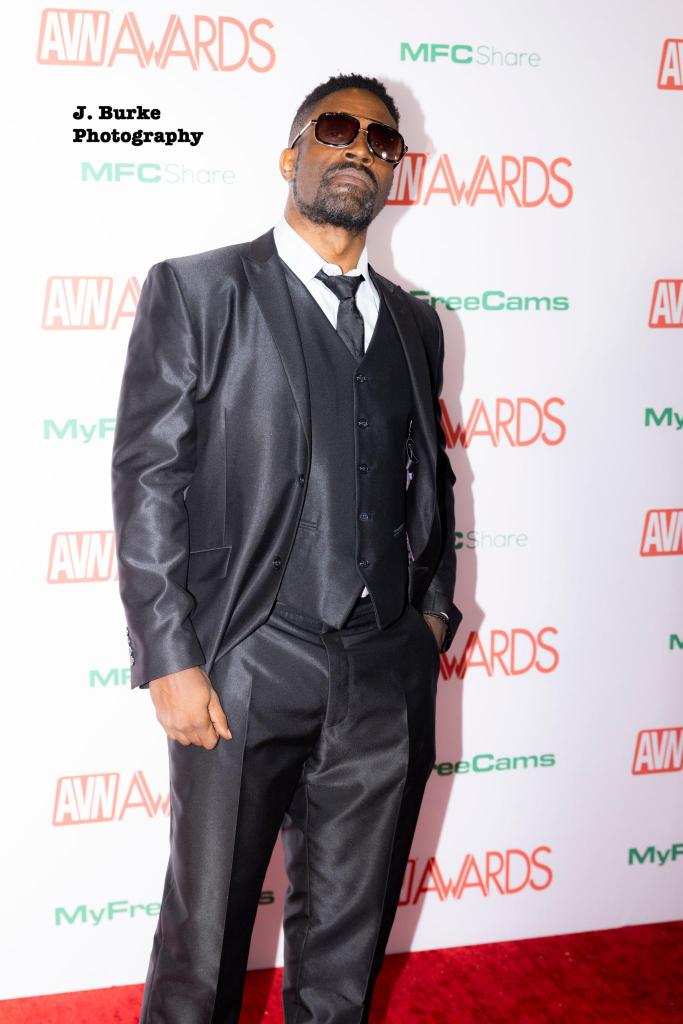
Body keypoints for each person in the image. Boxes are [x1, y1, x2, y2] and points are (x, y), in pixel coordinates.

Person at [111, 71, 462, 1024]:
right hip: (246, 660)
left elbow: (431, 477)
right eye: (336, 128)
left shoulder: (417, 322)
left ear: (395, 172)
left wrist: (431, 616)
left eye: (380, 141)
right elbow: (148, 479)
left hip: (383, 670)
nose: (359, 150)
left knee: (346, 952)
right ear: (291, 152)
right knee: (205, 941)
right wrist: (170, 656)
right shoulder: (200, 289)